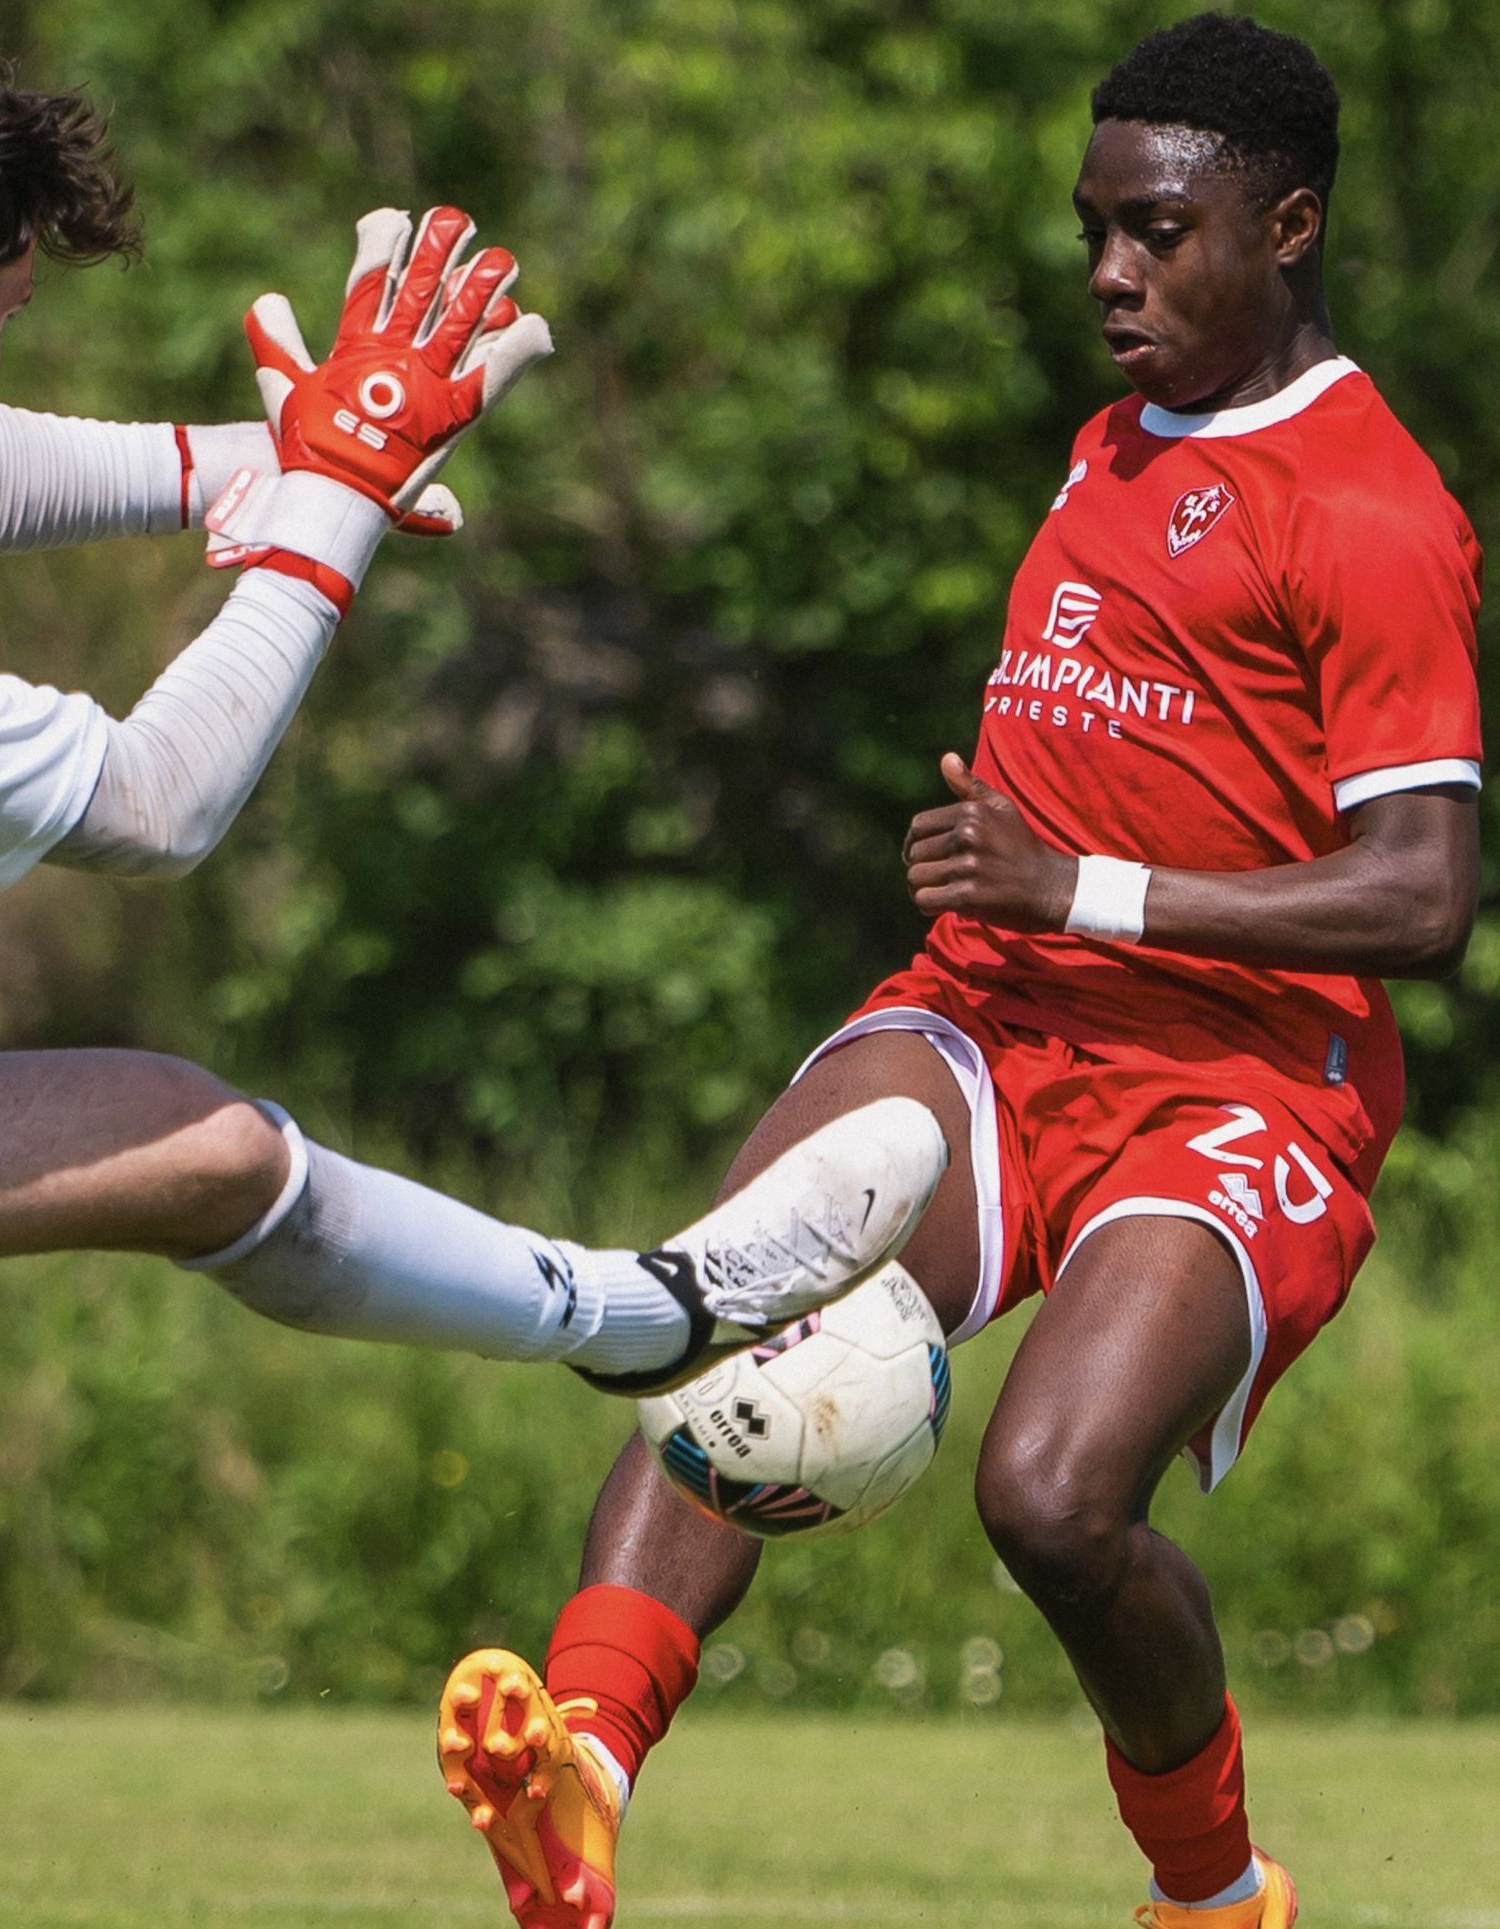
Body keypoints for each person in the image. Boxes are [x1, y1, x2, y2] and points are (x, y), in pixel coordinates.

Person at [0, 29, 949, 1813]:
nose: (0, 349)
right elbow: (150, 807)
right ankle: (638, 1309)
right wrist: (327, 515)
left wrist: (232, 471)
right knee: (191, 1145)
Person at [437, 15, 1481, 1927]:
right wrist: (1035, 899)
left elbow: (1422, 898)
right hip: (998, 1011)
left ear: (1294, 224)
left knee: (1054, 1498)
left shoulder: (1373, 507)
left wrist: (1081, 881)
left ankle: (1219, 1892)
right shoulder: (1110, 441)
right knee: (730, 1297)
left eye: (1158, 231)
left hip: (1246, 1086)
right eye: (1093, 230)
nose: (1110, 272)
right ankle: (579, 1767)